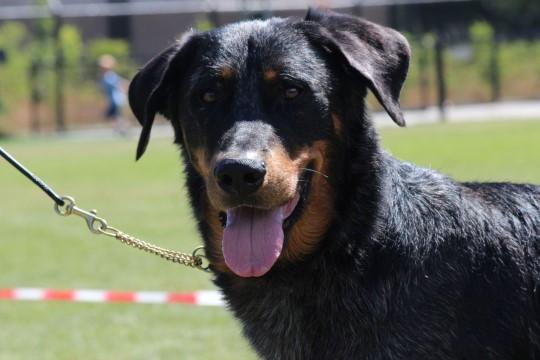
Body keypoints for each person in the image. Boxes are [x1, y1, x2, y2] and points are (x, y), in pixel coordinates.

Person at [98, 54, 128, 134]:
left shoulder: (108, 76)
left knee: (114, 116)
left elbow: (120, 83)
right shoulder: (107, 76)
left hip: (116, 100)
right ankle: (121, 128)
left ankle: (123, 128)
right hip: (113, 100)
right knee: (115, 116)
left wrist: (124, 87)